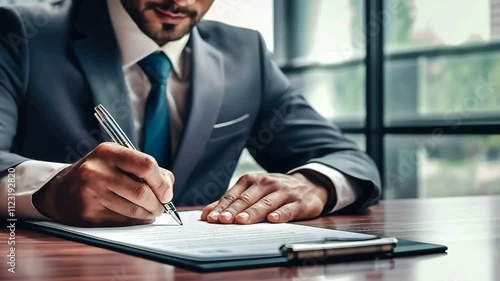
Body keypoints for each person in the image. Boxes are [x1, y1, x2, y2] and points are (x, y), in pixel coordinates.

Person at [0, 0, 381, 227]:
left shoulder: (245, 54)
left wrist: (312, 185)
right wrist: (50, 190)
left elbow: (349, 160)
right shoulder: (21, 32)